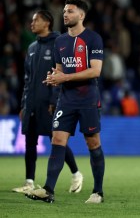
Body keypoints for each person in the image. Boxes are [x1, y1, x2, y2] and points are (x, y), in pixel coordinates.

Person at [26, 0, 105, 203]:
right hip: (66, 99)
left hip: (88, 99)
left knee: (93, 142)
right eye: (64, 11)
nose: (65, 14)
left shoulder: (93, 39)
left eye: (70, 11)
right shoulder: (59, 41)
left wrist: (64, 78)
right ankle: (48, 189)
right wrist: (54, 78)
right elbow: (60, 70)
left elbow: (95, 71)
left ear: (81, 15)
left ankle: (97, 192)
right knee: (57, 140)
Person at [12, 10, 83, 194]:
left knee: (56, 139)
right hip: (32, 103)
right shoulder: (32, 47)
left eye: (36, 20)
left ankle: (76, 174)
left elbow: (60, 75)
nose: (32, 24)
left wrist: (55, 100)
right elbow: (27, 80)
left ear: (47, 23)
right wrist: (23, 104)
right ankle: (29, 182)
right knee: (29, 141)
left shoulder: (59, 44)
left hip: (50, 102)